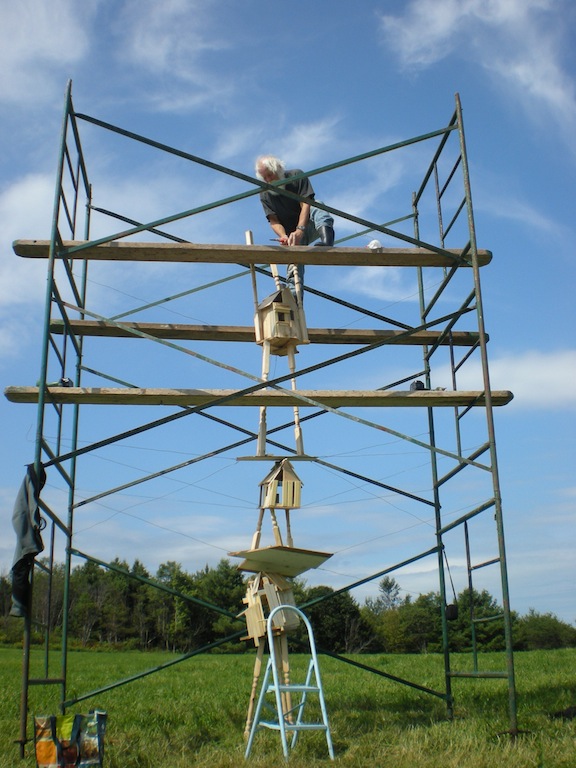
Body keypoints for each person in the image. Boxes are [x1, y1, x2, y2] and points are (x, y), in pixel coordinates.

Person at [255, 155, 335, 291]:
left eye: (270, 175)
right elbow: (273, 220)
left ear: (278, 169)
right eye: (265, 178)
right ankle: (294, 299)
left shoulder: (296, 175)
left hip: (309, 225)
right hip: (294, 237)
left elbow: (306, 204)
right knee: (294, 267)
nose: (268, 180)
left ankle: (327, 241)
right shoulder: (265, 193)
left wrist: (300, 229)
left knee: (317, 205)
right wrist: (283, 236)